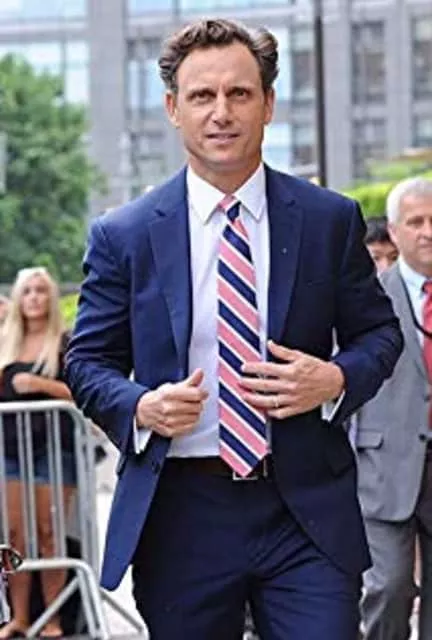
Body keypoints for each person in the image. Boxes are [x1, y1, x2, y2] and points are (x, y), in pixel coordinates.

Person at [66, 19, 402, 640]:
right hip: (182, 512)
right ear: (173, 108)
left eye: (239, 94)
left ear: (268, 104)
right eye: (202, 95)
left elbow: (380, 335)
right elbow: (86, 363)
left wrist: (333, 379)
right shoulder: (124, 235)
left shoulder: (328, 219)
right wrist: (141, 406)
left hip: (303, 510)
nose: (221, 112)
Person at [355, 176, 432, 640]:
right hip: (383, 467)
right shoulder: (367, 299)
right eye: (416, 222)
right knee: (388, 586)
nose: (427, 232)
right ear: (395, 232)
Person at [0, 267, 75, 639]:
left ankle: (54, 620)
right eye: (26, 290)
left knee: (50, 533)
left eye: (41, 290)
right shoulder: (6, 341)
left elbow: (84, 393)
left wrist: (39, 384)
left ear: (51, 297)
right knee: (15, 536)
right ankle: (19, 618)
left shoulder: (65, 342)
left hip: (55, 448)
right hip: (11, 449)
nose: (33, 297)